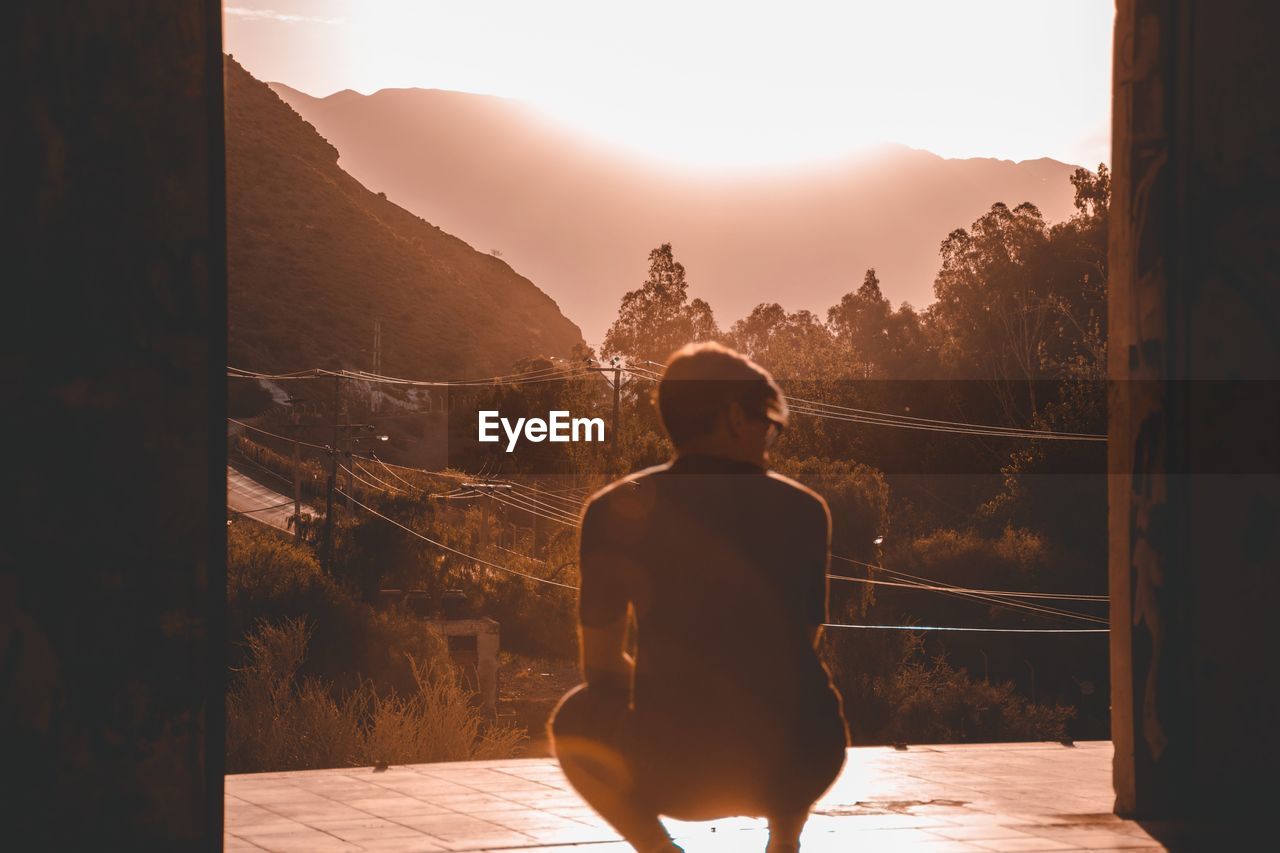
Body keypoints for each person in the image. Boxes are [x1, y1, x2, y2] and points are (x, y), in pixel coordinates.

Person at [549, 342, 848, 853]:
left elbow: (598, 666)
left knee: (576, 716)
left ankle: (658, 850)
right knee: (805, 693)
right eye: (767, 421)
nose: (770, 438)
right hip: (797, 766)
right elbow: (801, 647)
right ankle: (785, 841)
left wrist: (667, 696)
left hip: (676, 774)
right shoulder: (805, 510)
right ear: (733, 418)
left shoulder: (613, 509)